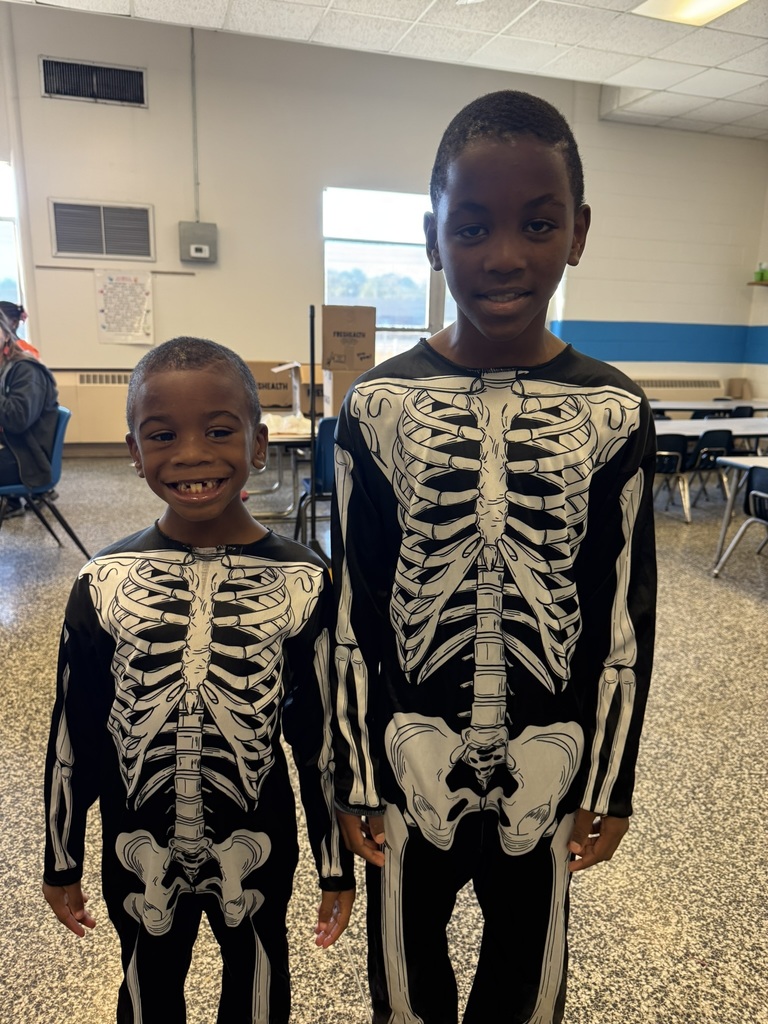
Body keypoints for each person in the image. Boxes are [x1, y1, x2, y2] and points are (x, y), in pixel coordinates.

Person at [331, 90, 657, 1024]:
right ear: (431, 238)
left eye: (538, 224)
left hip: (550, 763)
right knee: (404, 978)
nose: (504, 255)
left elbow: (625, 618)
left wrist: (609, 781)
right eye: (471, 227)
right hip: (407, 757)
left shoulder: (615, 410)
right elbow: (353, 605)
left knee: (527, 974)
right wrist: (353, 769)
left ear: (578, 233)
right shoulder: (376, 407)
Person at [42, 337, 355, 1024]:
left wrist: (336, 865)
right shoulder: (103, 582)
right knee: (148, 985)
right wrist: (60, 858)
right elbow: (75, 734)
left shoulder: (306, 581)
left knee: (259, 977)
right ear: (133, 451)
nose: (190, 454)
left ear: (259, 444)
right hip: (138, 840)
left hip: (257, 835)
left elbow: (320, 739)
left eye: (219, 431)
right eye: (162, 435)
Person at [0, 308, 58, 517]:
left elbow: (17, 419)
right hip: (11, 447)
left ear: (6, 334)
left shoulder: (26, 369)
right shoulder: (4, 368)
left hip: (27, 459)